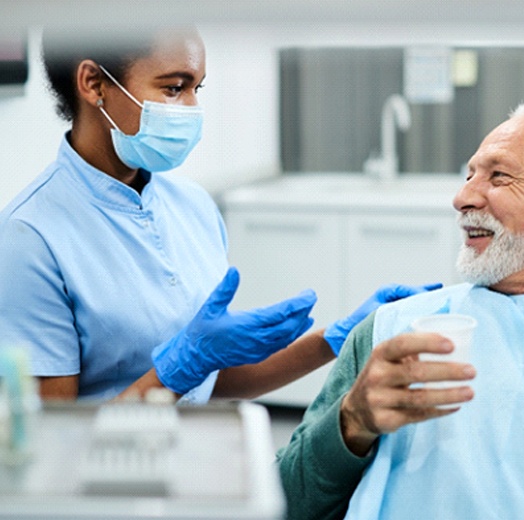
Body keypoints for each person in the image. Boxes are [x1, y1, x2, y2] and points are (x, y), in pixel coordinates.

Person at [0, 26, 439, 404]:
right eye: (174, 87)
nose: (191, 108)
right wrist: (177, 368)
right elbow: (54, 445)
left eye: (197, 88)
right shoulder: (30, 237)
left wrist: (339, 337)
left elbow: (214, 380)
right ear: (94, 83)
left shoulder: (192, 207)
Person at [277, 98, 524, 519]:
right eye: (468, 175)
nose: (462, 197)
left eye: (498, 176)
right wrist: (350, 422)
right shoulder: (393, 336)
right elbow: (286, 502)